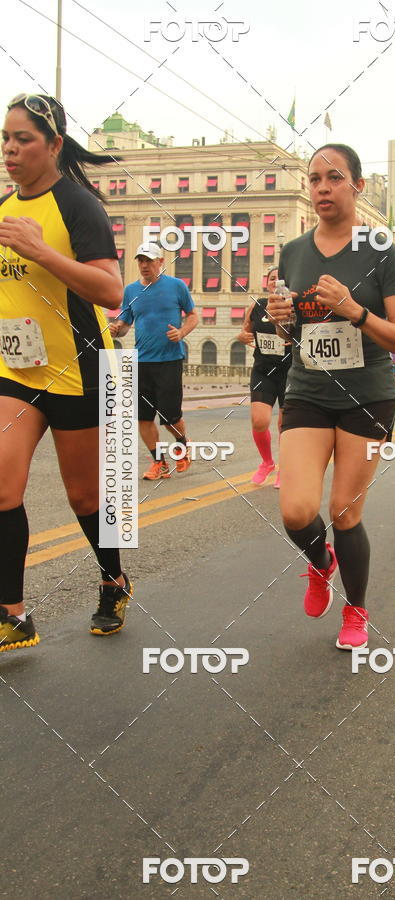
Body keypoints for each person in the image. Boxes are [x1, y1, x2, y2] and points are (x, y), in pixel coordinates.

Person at [268, 143, 395, 650]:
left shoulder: (381, 250)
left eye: (334, 178)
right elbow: (293, 333)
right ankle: (320, 562)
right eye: (314, 179)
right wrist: (283, 320)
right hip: (308, 389)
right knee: (295, 510)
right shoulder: (292, 252)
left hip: (367, 396)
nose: (322, 188)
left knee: (344, 512)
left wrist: (354, 310)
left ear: (358, 185)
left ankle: (356, 609)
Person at [0, 92, 132, 651]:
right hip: (18, 373)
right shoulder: (4, 208)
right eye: (5, 139)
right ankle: (13, 615)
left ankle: (114, 579)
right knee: (2, 487)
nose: (9, 149)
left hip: (79, 370)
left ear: (53, 145)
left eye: (22, 139)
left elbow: (109, 290)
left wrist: (41, 251)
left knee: (85, 497)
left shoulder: (78, 206)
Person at [109, 243, 198, 480]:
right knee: (143, 417)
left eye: (149, 260)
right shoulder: (130, 291)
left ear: (161, 261)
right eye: (140, 261)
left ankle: (182, 444)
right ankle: (159, 463)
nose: (144, 265)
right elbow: (125, 325)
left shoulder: (176, 286)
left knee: (170, 417)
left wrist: (181, 333)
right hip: (142, 362)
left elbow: (193, 316)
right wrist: (117, 329)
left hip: (170, 359)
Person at [237, 266, 292, 488]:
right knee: (259, 421)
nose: (275, 281)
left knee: (284, 425)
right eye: (272, 278)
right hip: (263, 369)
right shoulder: (256, 306)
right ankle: (267, 463)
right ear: (267, 283)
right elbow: (244, 332)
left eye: (280, 278)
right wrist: (242, 336)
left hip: (289, 371)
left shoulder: (292, 306)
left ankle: (284, 470)